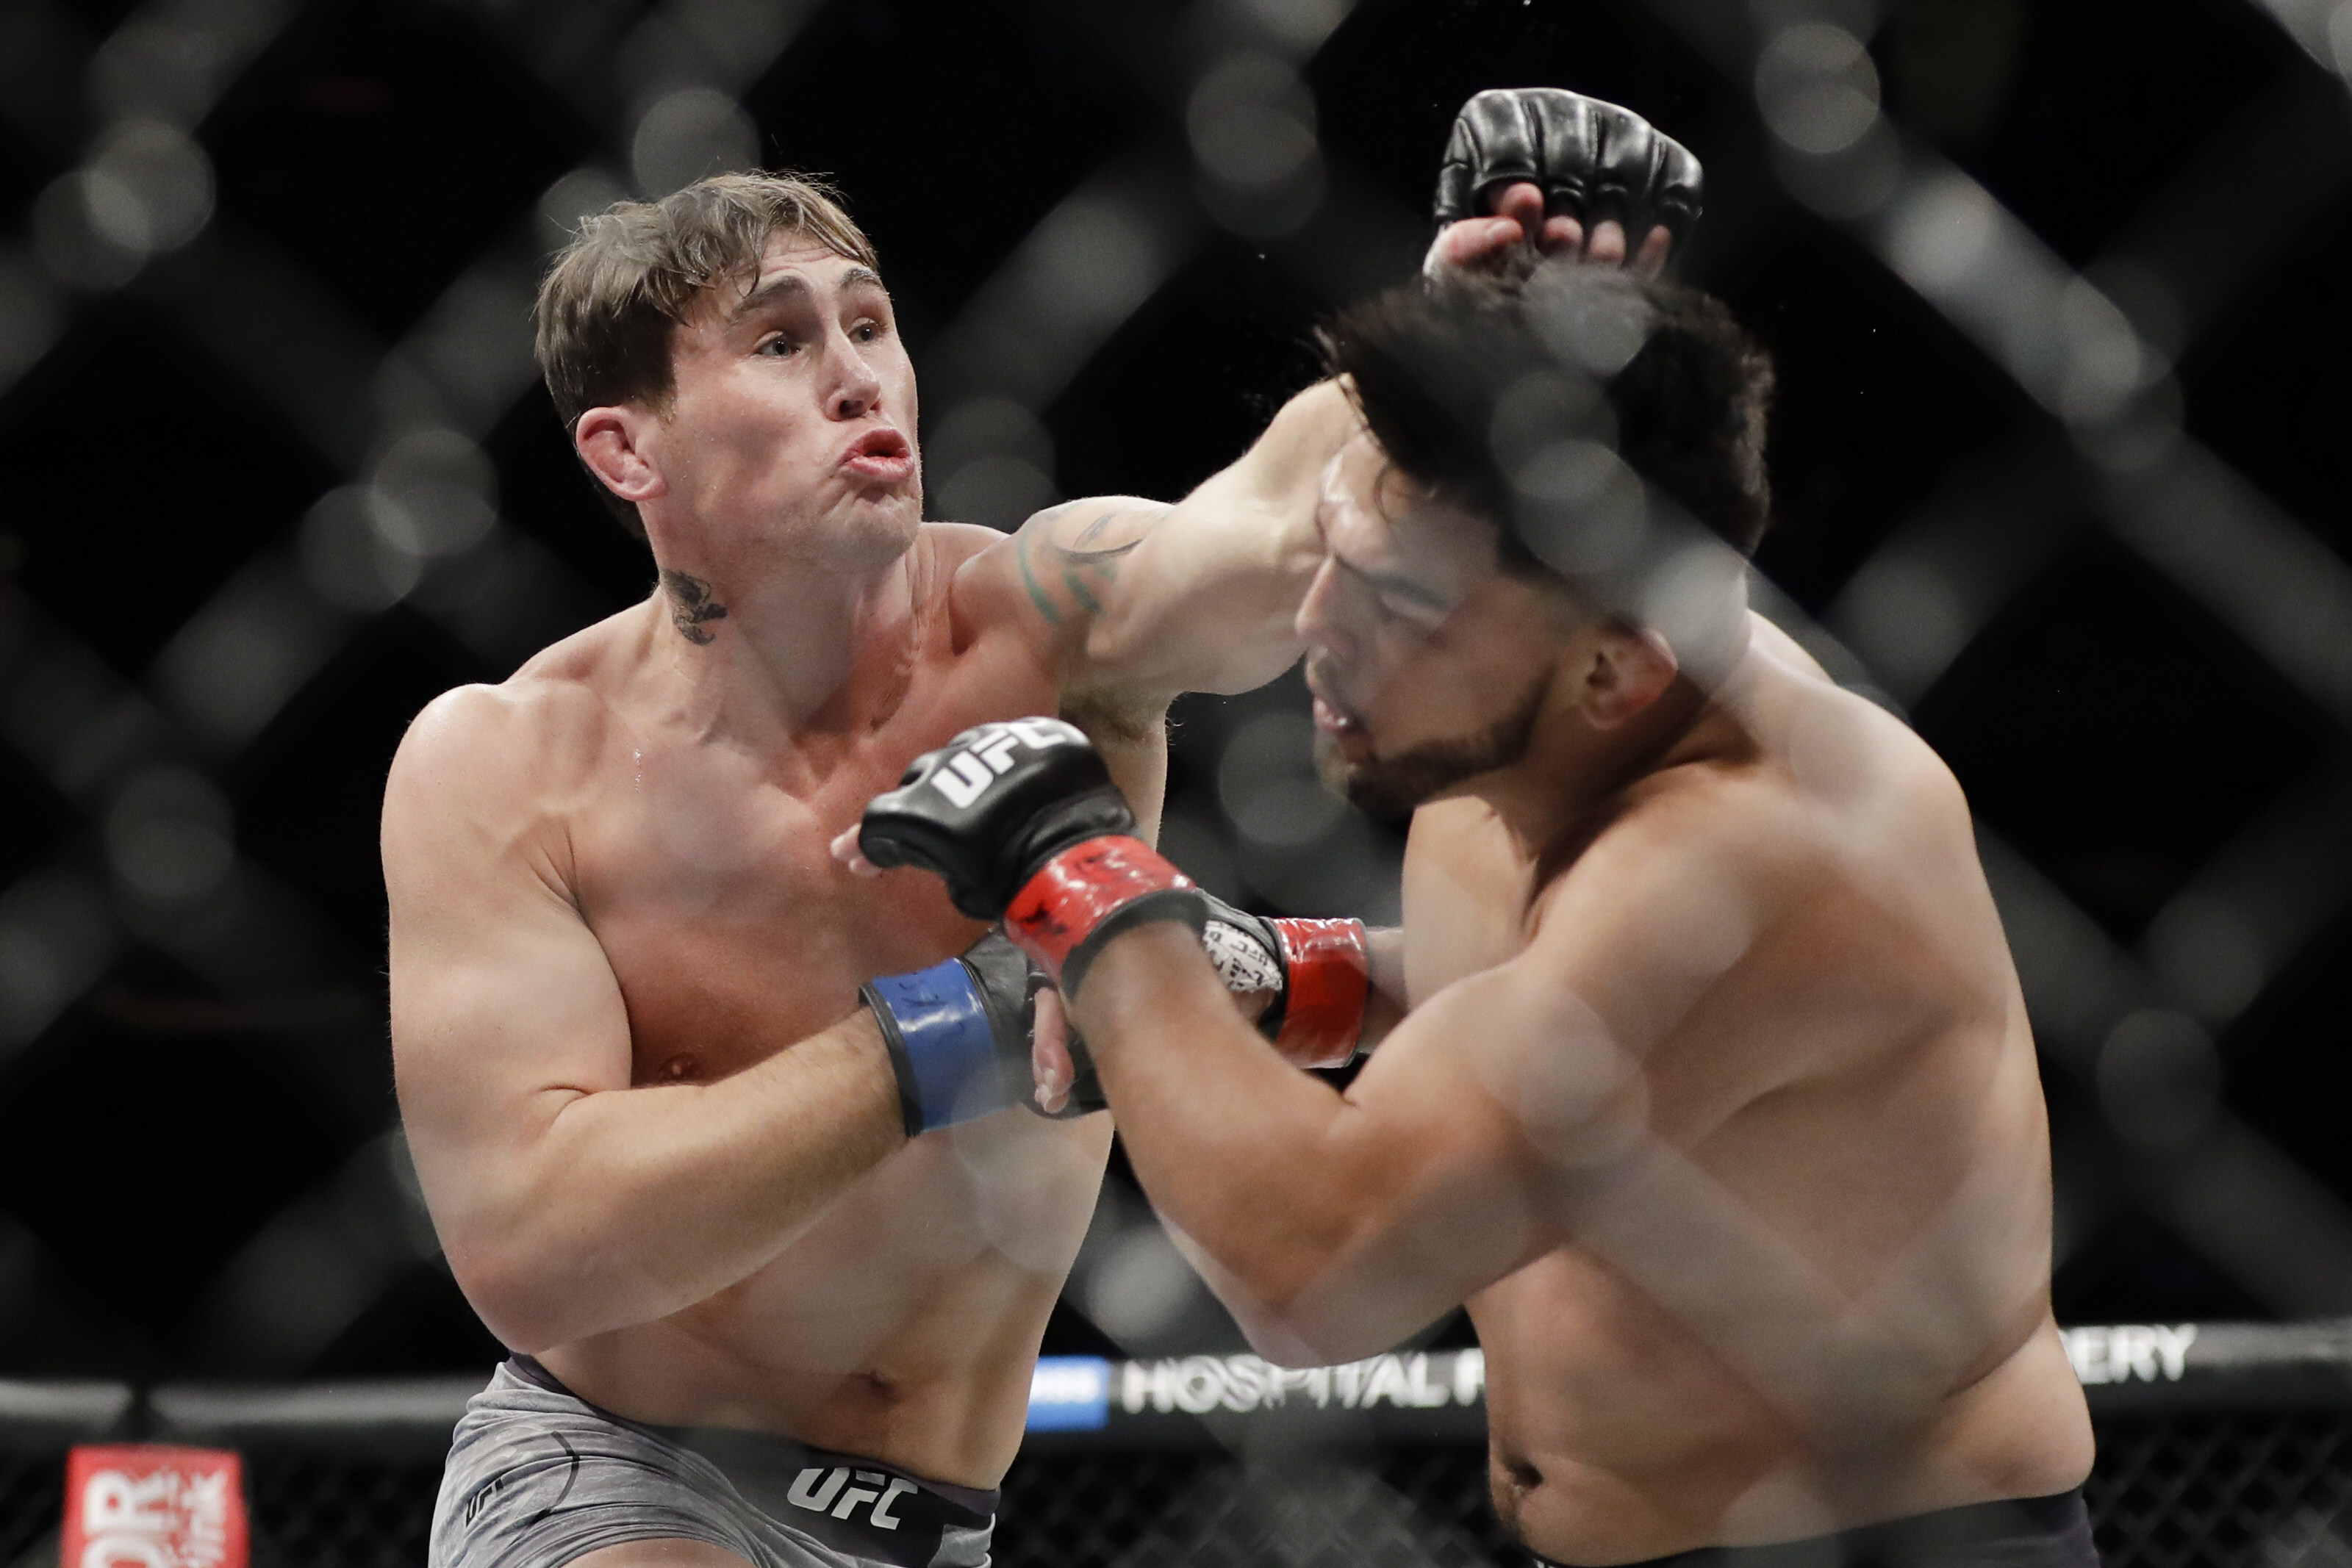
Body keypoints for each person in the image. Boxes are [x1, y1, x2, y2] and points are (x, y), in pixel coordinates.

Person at [388, 93, 1696, 1568]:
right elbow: (536, 1247)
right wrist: (956, 1026)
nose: (855, 378)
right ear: (630, 452)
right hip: (625, 1476)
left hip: (945, 1524)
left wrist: (1471, 332)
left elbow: (1270, 532)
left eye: (871, 325)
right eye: (779, 339)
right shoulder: (506, 760)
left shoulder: (1049, 618)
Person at [853, 251, 2099, 1564]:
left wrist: (1088, 883)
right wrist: (1286, 977)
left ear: (1614, 668)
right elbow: (1539, 1009)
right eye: (1336, 551)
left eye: (1399, 602)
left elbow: (1320, 1272)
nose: (1322, 625)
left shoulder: (1760, 853)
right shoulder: (1514, 745)